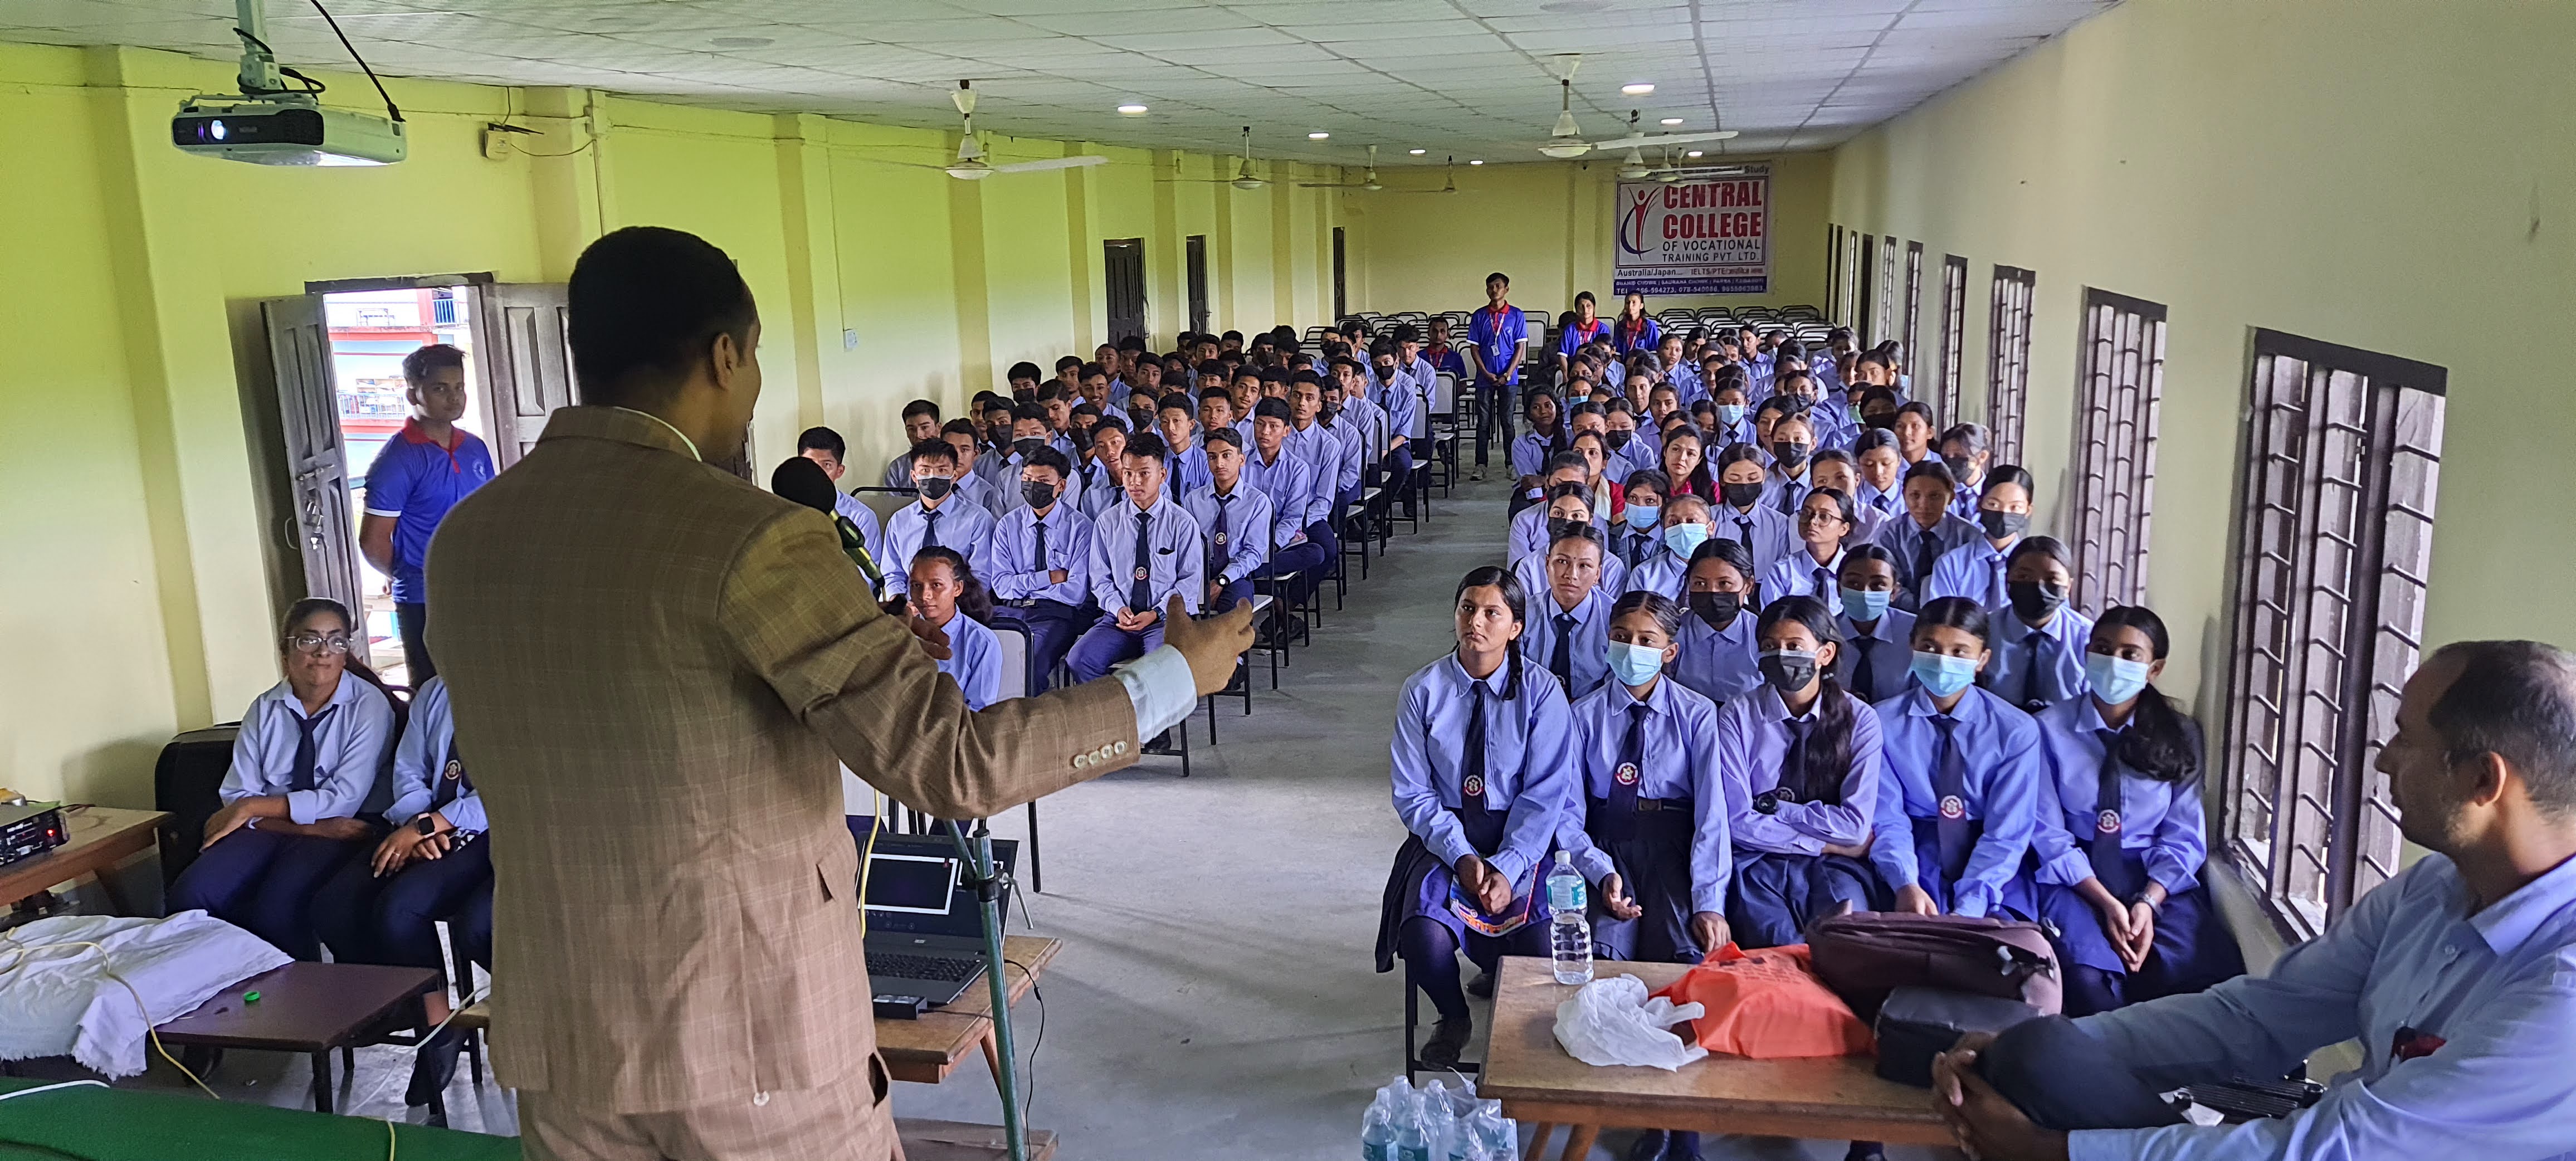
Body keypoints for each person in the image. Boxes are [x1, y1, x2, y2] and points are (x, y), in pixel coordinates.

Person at [426, 227, 1252, 1159]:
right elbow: (952, 760)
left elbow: (642, 697)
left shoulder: (467, 541)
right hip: (749, 1048)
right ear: (725, 356)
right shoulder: (752, 536)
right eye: (756, 358)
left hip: (564, 1045)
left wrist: (864, 645)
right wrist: (1173, 677)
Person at [1934, 640, 2576, 1161]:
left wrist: (2058, 1152)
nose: (2383, 761)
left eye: (2406, 739)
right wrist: (2037, 1045)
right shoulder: (2431, 890)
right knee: (2032, 1056)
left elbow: (2347, 1147)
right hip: (2335, 1136)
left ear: (2481, 778)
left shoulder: (2561, 987)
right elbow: (2255, 1017)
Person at [1377, 567, 1575, 1069]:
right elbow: (1413, 792)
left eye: (1493, 613)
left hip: (1521, 835)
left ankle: (1515, 1018)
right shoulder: (1422, 690)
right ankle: (1453, 1015)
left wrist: (1507, 866)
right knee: (1422, 935)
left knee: (1542, 939)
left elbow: (1546, 794)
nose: (1476, 622)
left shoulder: (1542, 693)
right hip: (1447, 833)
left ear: (1516, 627)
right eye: (1468, 608)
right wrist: (1462, 855)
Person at [2028, 606, 2242, 1017]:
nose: (2114, 662)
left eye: (2131, 654)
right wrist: (2107, 903)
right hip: (2074, 875)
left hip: (2152, 874)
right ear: (2086, 653)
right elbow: (2047, 832)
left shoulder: (2180, 734)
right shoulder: (2046, 729)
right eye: (2103, 649)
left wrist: (2147, 902)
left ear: (2154, 668)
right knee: (2088, 981)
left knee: (2192, 973)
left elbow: (2183, 833)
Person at [169, 598, 396, 961]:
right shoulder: (265, 708)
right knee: (192, 895)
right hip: (293, 828)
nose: (323, 652)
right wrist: (307, 827)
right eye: (309, 640)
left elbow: (343, 800)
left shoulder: (368, 706)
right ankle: (215, 985)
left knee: (278, 909)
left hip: (345, 825)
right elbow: (237, 794)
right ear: (285, 650)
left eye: (336, 641)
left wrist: (252, 809)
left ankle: (303, 996)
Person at [310, 670, 494, 1108]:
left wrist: (433, 825)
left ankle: (438, 1023)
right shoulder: (435, 691)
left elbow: (511, 788)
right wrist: (417, 823)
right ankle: (393, 1003)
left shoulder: (519, 689)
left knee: (400, 909)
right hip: (422, 825)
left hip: (488, 831)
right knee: (333, 905)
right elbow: (410, 769)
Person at [1557, 590, 1730, 965]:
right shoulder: (1582, 715)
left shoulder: (1697, 714)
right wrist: (1600, 871)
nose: (1632, 648)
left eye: (1647, 640)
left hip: (1674, 846)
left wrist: (1709, 902)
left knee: (1682, 954)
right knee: (1601, 954)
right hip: (1606, 844)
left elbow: (1712, 814)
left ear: (1670, 652)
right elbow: (1568, 812)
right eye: (1621, 637)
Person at [1716, 596, 1886, 949]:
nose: (1782, 655)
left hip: (1837, 867)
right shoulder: (1738, 715)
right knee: (1779, 946)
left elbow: (1855, 827)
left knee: (1844, 942)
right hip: (1758, 861)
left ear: (1825, 654)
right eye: (1770, 647)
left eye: (1794, 646)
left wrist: (1777, 808)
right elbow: (1737, 822)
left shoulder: (1860, 719)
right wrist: (1825, 844)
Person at [1869, 597, 2044, 919]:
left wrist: (1972, 905)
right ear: (1912, 648)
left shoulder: (2015, 730)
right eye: (1930, 648)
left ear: (1982, 659)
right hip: (1915, 844)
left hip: (1992, 854)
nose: (1942, 661)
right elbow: (1887, 817)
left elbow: (2007, 830)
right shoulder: (1881, 722)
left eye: (1959, 652)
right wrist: (1905, 882)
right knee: (1913, 931)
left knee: (2001, 935)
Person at [358, 344, 495, 681]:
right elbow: (373, 542)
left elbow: (488, 513)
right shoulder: (397, 460)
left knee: (484, 685)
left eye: (459, 387)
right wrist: (409, 572)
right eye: (440, 389)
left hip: (478, 589)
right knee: (434, 692)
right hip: (425, 601)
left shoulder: (474, 447)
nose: (454, 398)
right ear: (412, 395)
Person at [1067, 432, 1206, 684]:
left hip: (1164, 620)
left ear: (1162, 475)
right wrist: (1118, 609)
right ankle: (1112, 710)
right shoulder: (1107, 522)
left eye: (1144, 474)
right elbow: (1100, 578)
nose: (1135, 482)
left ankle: (1151, 712)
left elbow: (1189, 581)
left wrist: (1156, 612)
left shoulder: (1182, 523)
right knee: (1079, 660)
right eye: (1128, 473)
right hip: (1119, 619)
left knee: (1160, 667)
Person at [984, 445, 1092, 695]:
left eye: (1043, 481)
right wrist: (1049, 578)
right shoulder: (1007, 526)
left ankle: (1030, 716)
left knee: (1028, 665)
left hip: (1055, 614)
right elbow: (1001, 586)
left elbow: (1074, 592)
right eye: (1027, 479)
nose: (1033, 487)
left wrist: (1023, 584)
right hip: (1009, 611)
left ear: (1061, 486)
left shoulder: (1080, 528)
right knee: (981, 656)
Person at [1983, 536, 2096, 713]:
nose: (2038, 587)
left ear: (2068, 587)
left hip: (2066, 727)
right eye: (2024, 576)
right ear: (2007, 581)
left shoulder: (2088, 638)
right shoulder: (1983, 631)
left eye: (2052, 579)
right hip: (1996, 725)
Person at [880, 439, 995, 597]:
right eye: (925, 470)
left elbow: (981, 578)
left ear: (954, 476)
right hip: (910, 606)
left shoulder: (978, 519)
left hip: (959, 605)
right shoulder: (900, 520)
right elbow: (893, 573)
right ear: (914, 476)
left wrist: (946, 605)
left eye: (942, 470)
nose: (933, 476)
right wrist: (901, 604)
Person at [1179, 426, 1271, 616]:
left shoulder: (1257, 502)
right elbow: (1188, 547)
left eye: (1226, 455)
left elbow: (1253, 554)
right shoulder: (1193, 500)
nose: (1219, 463)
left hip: (1236, 573)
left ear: (1241, 460)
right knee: (1175, 610)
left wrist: (1222, 580)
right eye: (1212, 457)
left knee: (1234, 612)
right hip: (1200, 572)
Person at [1244, 397, 1330, 599]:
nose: (1265, 432)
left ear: (1286, 431)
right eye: (1260, 424)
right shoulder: (1241, 462)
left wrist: (1272, 544)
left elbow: (1293, 517)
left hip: (1278, 542)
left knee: (1316, 552)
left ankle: (1249, 570)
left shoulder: (1298, 468)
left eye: (1273, 426)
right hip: (1245, 538)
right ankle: (1252, 572)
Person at [1522, 525, 1615, 700]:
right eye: (1562, 562)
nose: (1571, 575)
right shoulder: (1524, 614)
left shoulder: (1614, 618)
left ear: (1597, 574)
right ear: (1547, 564)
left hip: (1594, 710)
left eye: (1584, 566)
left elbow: (1614, 688)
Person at [1874, 460, 1980, 608]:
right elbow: (1887, 584)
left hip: (1955, 613)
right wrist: (1920, 608)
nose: (1924, 505)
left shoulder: (1969, 537)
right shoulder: (1888, 534)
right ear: (1904, 495)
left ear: (1951, 496)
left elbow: (1972, 586)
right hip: (1901, 613)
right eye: (1915, 495)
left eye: (1935, 496)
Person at [1925, 464, 2036, 608]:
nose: (2004, 513)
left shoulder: (2038, 567)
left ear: (2028, 511)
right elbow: (1941, 617)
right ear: (1979, 504)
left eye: (2015, 507)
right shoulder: (1951, 564)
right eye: (1993, 504)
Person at [1670, 536, 1762, 706]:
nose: (1712, 592)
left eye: (1724, 583)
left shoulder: (1763, 635)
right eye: (1700, 583)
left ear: (1748, 585)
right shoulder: (1673, 632)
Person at [908, 547, 1000, 711]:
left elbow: (978, 711)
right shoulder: (902, 635)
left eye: (936, 585)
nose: (925, 595)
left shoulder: (981, 641)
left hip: (956, 726)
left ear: (957, 588)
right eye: (916, 585)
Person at [1512, 485, 1627, 602]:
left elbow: (1615, 610)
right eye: (1558, 513)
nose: (1567, 521)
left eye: (1576, 516)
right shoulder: (1529, 566)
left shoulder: (1612, 566)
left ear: (1590, 521)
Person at [1833, 543, 1915, 704]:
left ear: (1894, 592)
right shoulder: (1824, 633)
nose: (1865, 592)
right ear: (1839, 588)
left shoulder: (1915, 633)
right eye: (1853, 583)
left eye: (1878, 585)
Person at [794, 427, 888, 564]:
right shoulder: (785, 511)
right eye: (810, 463)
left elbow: (865, 573)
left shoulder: (861, 517)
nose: (817, 472)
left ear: (839, 471)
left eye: (826, 465)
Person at [1713, 442, 1794, 577]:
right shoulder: (1709, 519)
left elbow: (1784, 570)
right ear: (1722, 479)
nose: (1744, 484)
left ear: (1763, 476)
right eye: (1734, 479)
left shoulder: (1779, 523)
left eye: (1753, 478)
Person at [1763, 487, 1856, 604]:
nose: (1812, 521)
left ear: (1844, 528)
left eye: (1824, 517)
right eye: (1806, 513)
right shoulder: (1781, 573)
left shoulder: (1856, 571)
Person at [1624, 491, 1711, 599]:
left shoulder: (1724, 570)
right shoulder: (1644, 574)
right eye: (1674, 522)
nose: (1683, 527)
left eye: (1692, 521)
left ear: (1710, 528)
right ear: (1664, 529)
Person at [1612, 468, 1669, 570]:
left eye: (1650, 501)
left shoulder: (1670, 541)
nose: (1640, 506)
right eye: (1633, 498)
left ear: (1663, 505)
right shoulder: (1611, 536)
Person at [1851, 428, 1907, 527]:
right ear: (1858, 463)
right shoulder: (1852, 496)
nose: (1878, 472)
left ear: (1899, 461)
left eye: (1886, 463)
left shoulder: (1910, 496)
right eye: (1869, 464)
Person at [882, 399, 943, 489]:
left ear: (938, 428)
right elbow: (891, 497)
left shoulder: (954, 462)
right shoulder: (898, 468)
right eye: (912, 429)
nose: (918, 435)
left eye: (925, 428)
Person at [1939, 422, 1993, 521]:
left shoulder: (1994, 494)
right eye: (1946, 456)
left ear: (1982, 457)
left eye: (1958, 455)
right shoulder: (1938, 491)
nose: (1951, 462)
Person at [1610, 291, 1660, 357]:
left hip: (1644, 362)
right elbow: (1618, 352)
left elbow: (1653, 352)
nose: (1630, 306)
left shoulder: (1650, 326)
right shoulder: (1620, 326)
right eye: (1628, 303)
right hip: (1624, 362)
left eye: (1634, 302)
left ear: (1641, 306)